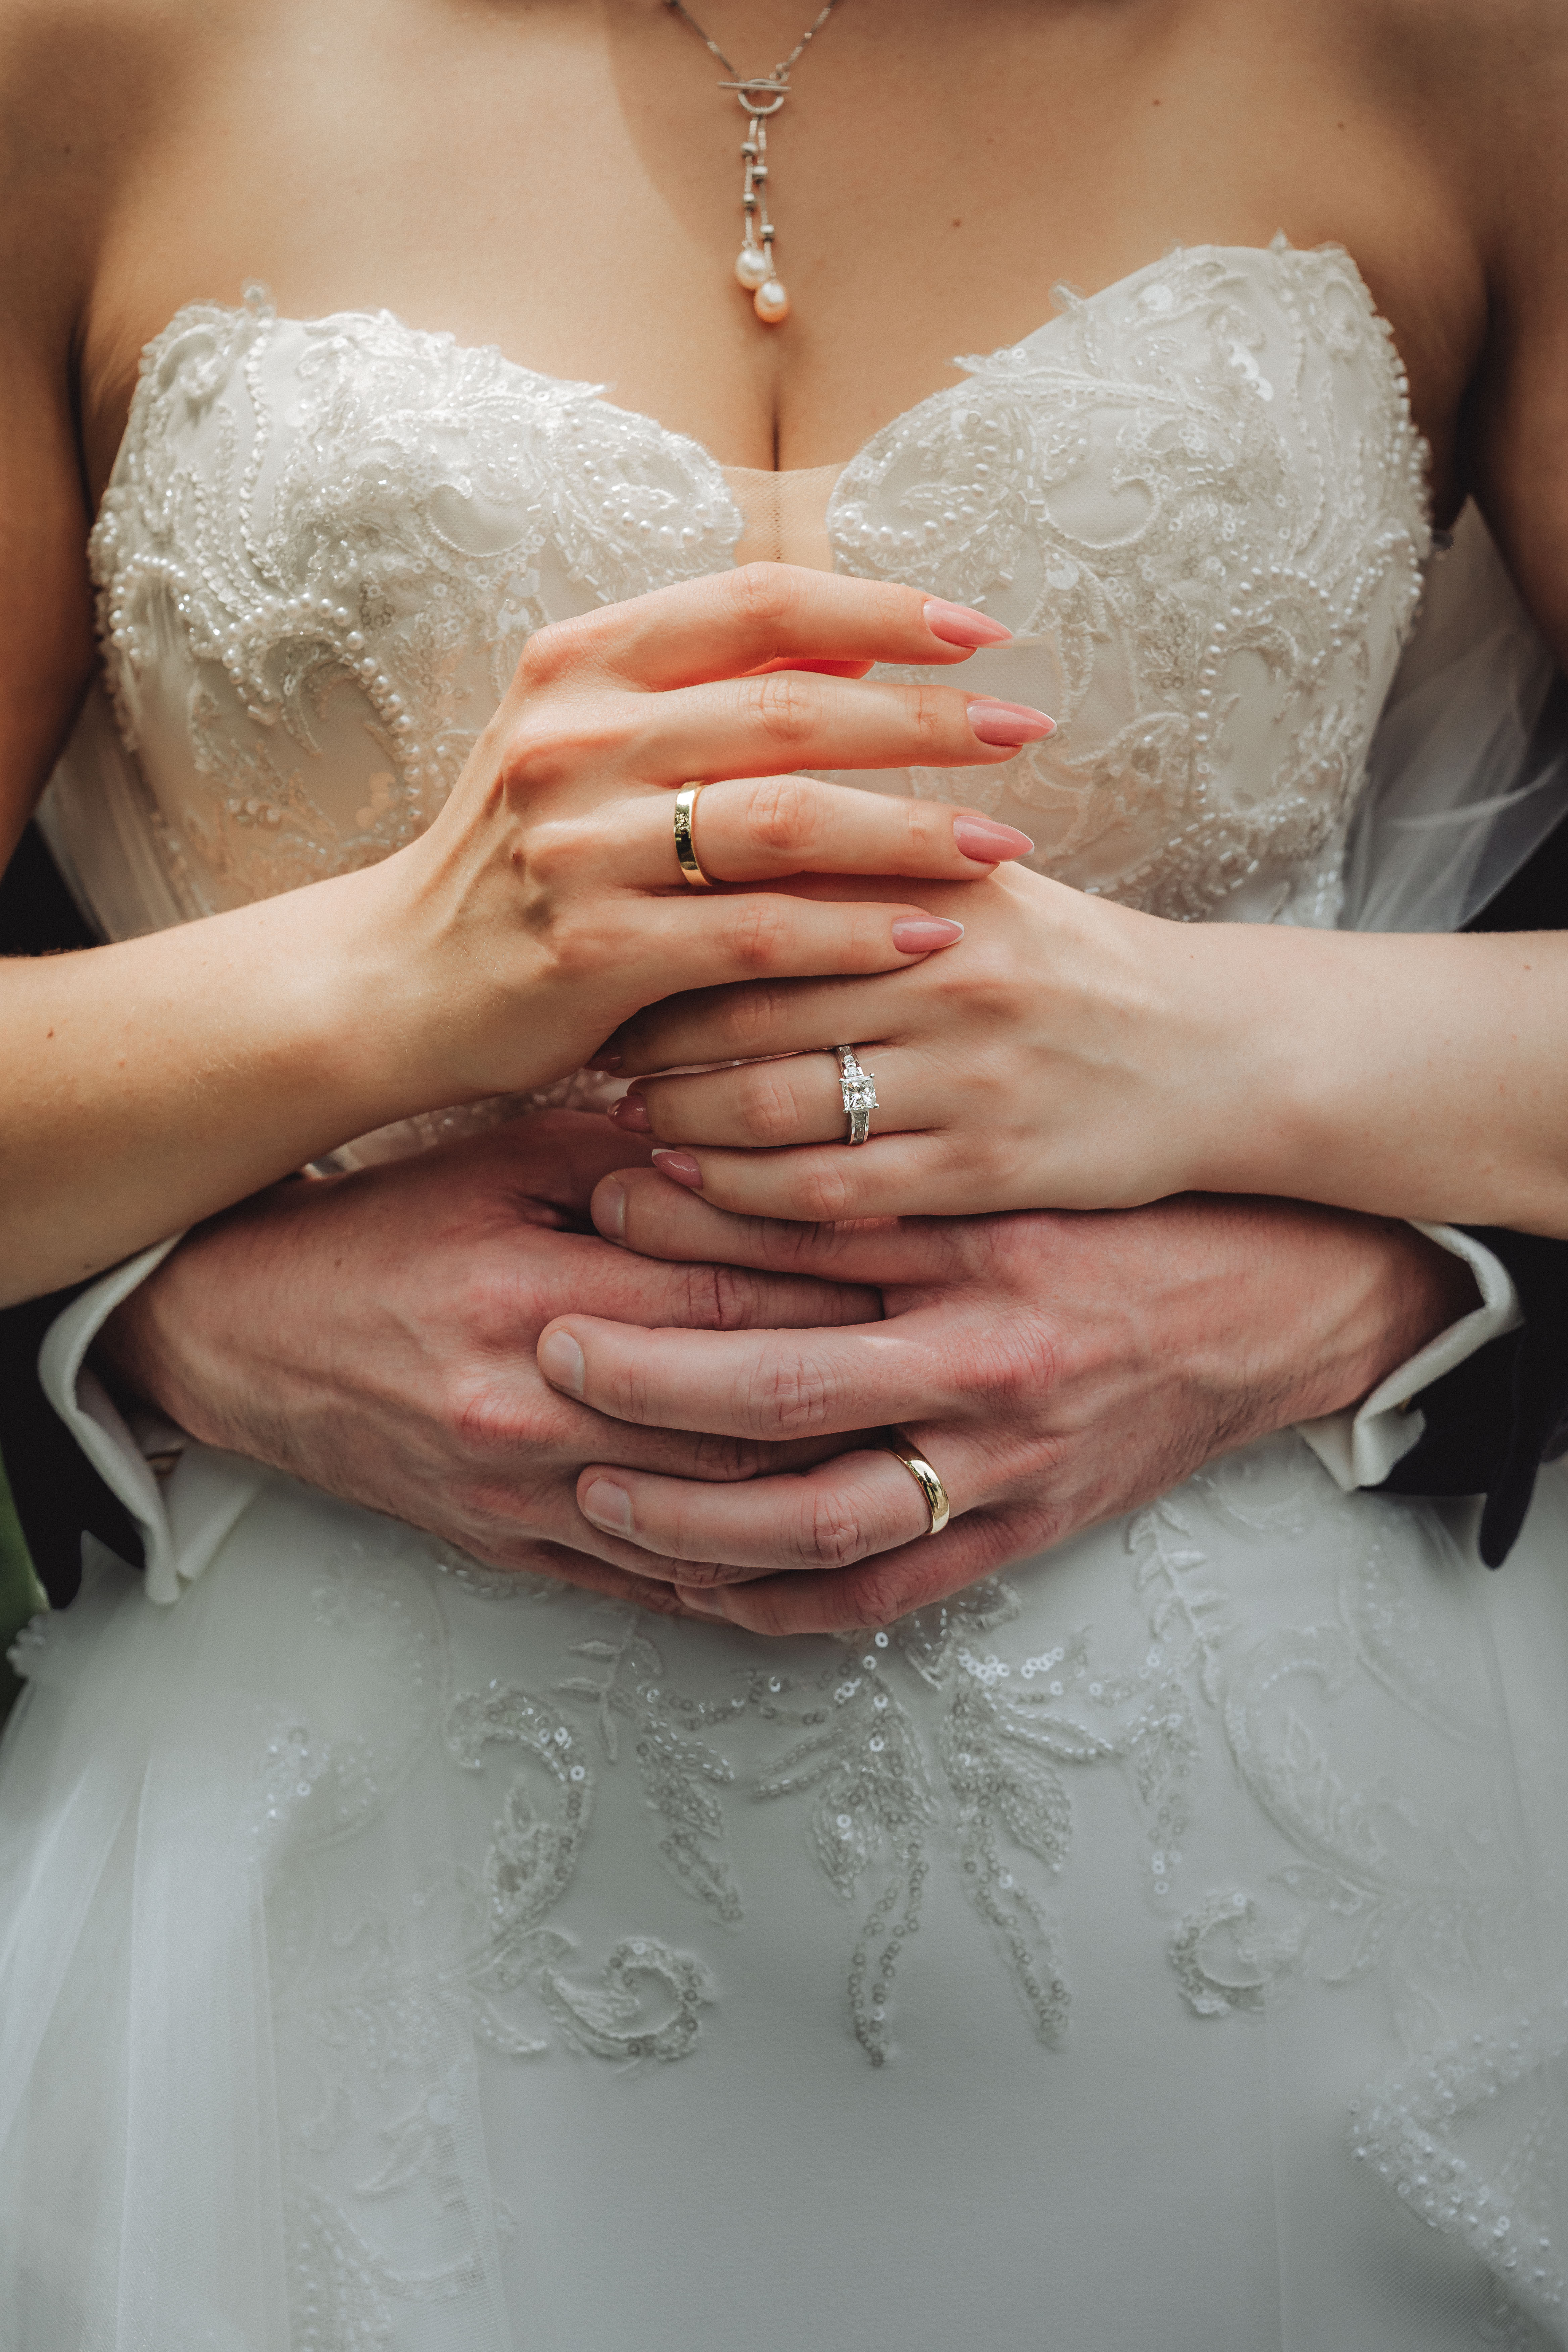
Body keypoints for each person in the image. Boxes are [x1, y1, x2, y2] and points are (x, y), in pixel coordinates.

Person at [3, 1, 1568, 2344]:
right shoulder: (83, 55)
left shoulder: (1467, 46)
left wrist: (1226, 1075)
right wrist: (370, 1016)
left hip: (1307, 1887)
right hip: (332, 1894)